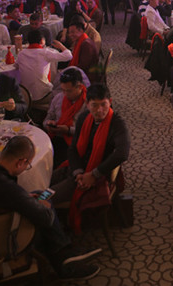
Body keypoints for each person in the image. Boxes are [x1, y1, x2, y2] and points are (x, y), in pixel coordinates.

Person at [0, 136, 101, 280]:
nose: (26, 168)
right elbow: (46, 218)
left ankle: (63, 256)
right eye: (27, 165)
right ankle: (64, 259)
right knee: (45, 208)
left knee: (37, 194)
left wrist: (26, 198)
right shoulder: (7, 188)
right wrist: (43, 206)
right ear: (20, 162)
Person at [49, 84, 129, 233]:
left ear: (110, 102)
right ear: (87, 104)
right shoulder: (84, 118)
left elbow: (122, 153)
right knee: (40, 182)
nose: (99, 110)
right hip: (77, 171)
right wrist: (78, 172)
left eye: (103, 104)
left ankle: (57, 237)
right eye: (94, 105)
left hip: (97, 177)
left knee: (44, 198)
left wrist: (93, 174)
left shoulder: (117, 123)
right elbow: (73, 149)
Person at [44, 68, 89, 167]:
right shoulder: (58, 98)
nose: (65, 94)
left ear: (80, 87)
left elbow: (88, 131)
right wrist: (49, 124)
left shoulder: (89, 104)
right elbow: (47, 118)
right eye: (63, 90)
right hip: (56, 136)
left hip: (76, 142)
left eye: (68, 91)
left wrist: (68, 130)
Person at [16, 29, 73, 102]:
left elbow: (16, 66)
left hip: (26, 96)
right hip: (43, 96)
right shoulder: (45, 52)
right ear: (42, 41)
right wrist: (61, 46)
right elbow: (68, 56)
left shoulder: (21, 53)